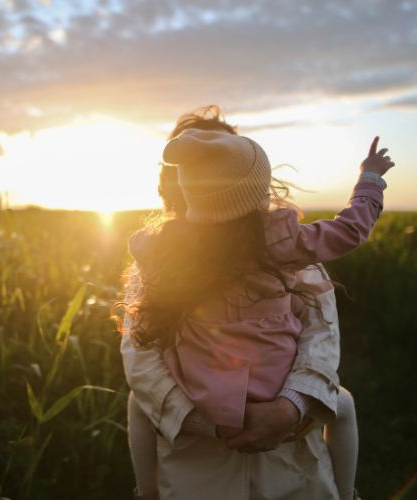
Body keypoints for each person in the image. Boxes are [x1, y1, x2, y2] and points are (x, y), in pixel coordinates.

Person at [118, 106, 393, 499]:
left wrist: (290, 408)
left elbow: (321, 334)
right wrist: (203, 423)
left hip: (293, 462)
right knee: (343, 404)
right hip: (195, 463)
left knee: (136, 407)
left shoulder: (163, 253)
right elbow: (141, 358)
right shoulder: (283, 244)